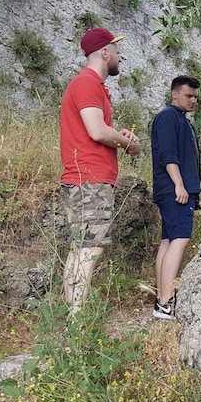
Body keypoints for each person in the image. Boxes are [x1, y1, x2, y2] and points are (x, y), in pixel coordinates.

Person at [60, 27, 141, 317]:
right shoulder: (87, 84)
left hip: (86, 178)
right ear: (105, 53)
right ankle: (77, 326)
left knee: (81, 248)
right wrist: (127, 142)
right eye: (116, 50)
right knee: (89, 250)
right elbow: (96, 131)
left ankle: (74, 323)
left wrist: (115, 135)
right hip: (90, 179)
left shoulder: (91, 86)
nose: (120, 55)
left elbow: (96, 128)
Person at [150, 75, 201, 320]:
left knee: (169, 241)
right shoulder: (169, 117)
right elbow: (168, 155)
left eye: (195, 97)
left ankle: (162, 300)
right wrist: (179, 185)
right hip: (175, 190)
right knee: (180, 238)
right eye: (188, 95)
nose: (193, 100)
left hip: (172, 190)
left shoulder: (178, 119)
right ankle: (165, 301)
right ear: (174, 94)